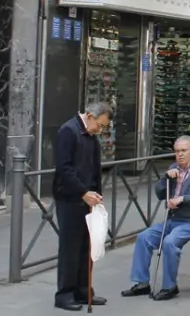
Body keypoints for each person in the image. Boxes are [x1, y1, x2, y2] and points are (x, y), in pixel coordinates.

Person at [122, 136, 190, 301]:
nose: (180, 155)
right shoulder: (173, 168)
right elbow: (159, 194)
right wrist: (166, 179)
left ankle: (170, 286)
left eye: (184, 151)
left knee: (170, 242)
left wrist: (183, 199)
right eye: (177, 151)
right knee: (144, 238)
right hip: (172, 220)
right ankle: (142, 283)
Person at [53, 102, 112, 311]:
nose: (100, 130)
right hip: (70, 198)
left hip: (88, 198)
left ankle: (83, 289)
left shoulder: (91, 137)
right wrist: (83, 192)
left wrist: (96, 193)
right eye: (100, 125)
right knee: (70, 247)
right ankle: (65, 293)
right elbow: (64, 168)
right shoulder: (68, 131)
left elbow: (95, 168)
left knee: (87, 246)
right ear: (89, 116)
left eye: (104, 127)